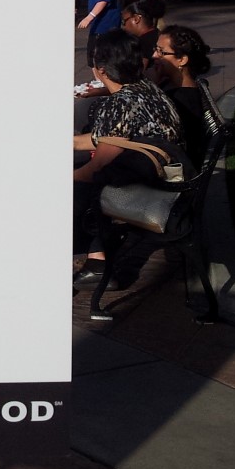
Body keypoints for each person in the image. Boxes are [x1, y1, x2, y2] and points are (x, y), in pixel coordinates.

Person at [72, 29, 183, 285]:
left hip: (154, 189)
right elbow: (110, 138)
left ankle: (95, 260)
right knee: (79, 165)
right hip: (167, 173)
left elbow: (97, 167)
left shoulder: (120, 103)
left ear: (100, 70)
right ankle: (97, 254)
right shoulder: (145, 88)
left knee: (75, 187)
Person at [150, 25, 218, 161]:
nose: (154, 55)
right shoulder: (174, 86)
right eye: (155, 49)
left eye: (161, 52)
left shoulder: (181, 99)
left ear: (182, 59)